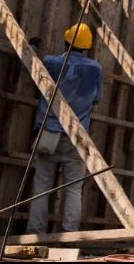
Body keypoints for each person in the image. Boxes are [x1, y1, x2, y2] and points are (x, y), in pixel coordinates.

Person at [26, 23, 102, 234]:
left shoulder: (52, 63)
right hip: (77, 137)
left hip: (49, 133)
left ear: (66, 41)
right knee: (73, 189)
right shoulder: (96, 69)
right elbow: (97, 98)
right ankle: (69, 235)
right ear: (86, 46)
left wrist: (34, 49)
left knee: (42, 187)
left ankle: (35, 233)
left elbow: (32, 66)